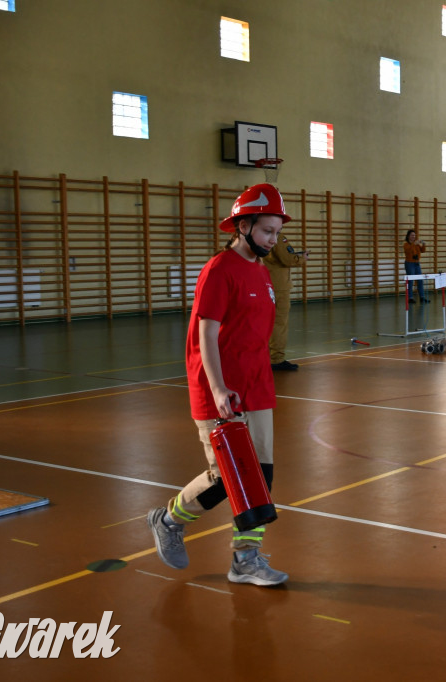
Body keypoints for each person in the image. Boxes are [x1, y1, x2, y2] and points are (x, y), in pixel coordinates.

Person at [147, 182, 290, 587]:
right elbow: (205, 335)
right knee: (226, 476)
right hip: (220, 388)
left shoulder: (261, 271)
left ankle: (245, 559)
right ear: (243, 225)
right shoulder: (218, 270)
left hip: (256, 385)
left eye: (277, 232)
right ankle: (169, 519)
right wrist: (218, 388)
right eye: (266, 231)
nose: (273, 240)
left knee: (259, 476)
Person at [263, 232, 309, 371]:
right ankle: (276, 359)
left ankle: (264, 356)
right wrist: (301, 258)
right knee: (279, 322)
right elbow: (286, 258)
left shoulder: (257, 233)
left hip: (263, 282)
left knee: (265, 322)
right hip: (279, 286)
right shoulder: (277, 236)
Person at [403, 229, 430, 303]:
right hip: (409, 263)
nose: (413, 236)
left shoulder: (416, 244)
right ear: (408, 236)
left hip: (417, 263)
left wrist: (424, 244)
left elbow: (423, 250)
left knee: (420, 280)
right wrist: (414, 244)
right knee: (410, 281)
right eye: (412, 235)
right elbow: (408, 250)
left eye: (414, 235)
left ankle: (422, 297)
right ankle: (410, 298)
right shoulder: (406, 244)